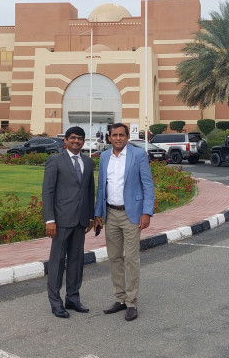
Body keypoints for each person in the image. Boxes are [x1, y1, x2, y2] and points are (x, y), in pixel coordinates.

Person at [94, 123, 155, 321]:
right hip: (111, 214)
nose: (118, 138)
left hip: (132, 215)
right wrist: (98, 214)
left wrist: (146, 212)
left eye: (121, 135)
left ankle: (132, 302)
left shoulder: (138, 155)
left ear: (127, 137)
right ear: (109, 137)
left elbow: (148, 185)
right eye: (114, 135)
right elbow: (101, 187)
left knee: (131, 259)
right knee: (114, 258)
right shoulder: (105, 156)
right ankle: (120, 299)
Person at [42, 126, 95, 318]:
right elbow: (48, 191)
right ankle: (55, 302)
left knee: (76, 260)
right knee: (57, 261)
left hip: (81, 220)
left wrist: (90, 216)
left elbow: (89, 190)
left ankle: (72, 298)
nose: (76, 141)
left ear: (83, 141)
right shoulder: (55, 161)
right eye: (72, 138)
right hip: (61, 220)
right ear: (65, 140)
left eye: (80, 138)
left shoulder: (88, 162)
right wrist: (50, 219)